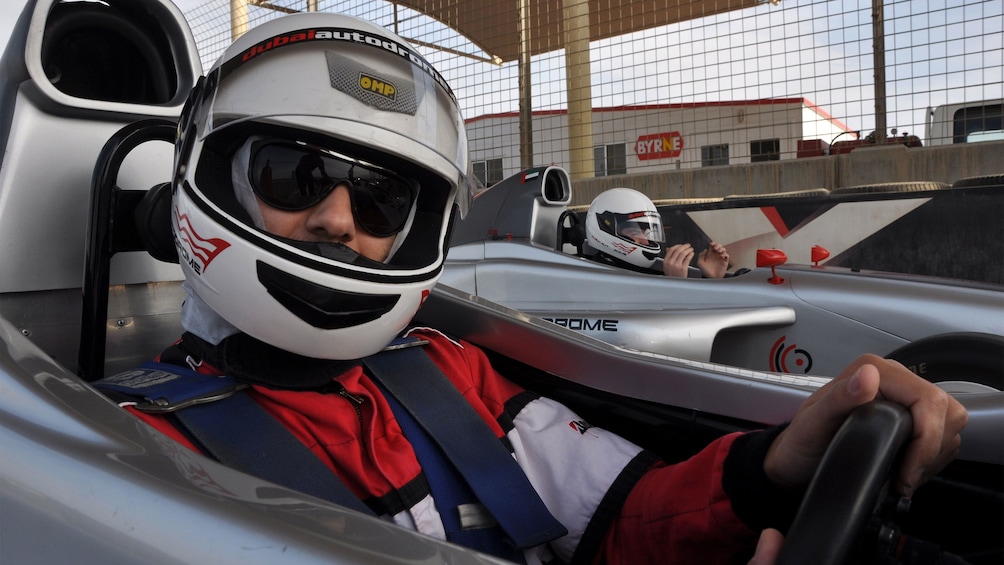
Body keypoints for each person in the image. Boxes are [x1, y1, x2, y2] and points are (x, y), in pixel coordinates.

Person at [110, 13, 966, 565]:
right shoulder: (128, 450)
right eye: (296, 174)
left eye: (380, 197)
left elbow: (621, 518)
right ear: (211, 177)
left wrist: (770, 470)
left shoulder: (446, 370)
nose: (339, 219)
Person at [585, 187, 732, 278]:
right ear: (606, 228)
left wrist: (712, 279)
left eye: (645, 232)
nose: (645, 241)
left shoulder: (639, 272)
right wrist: (675, 285)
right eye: (633, 231)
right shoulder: (596, 280)